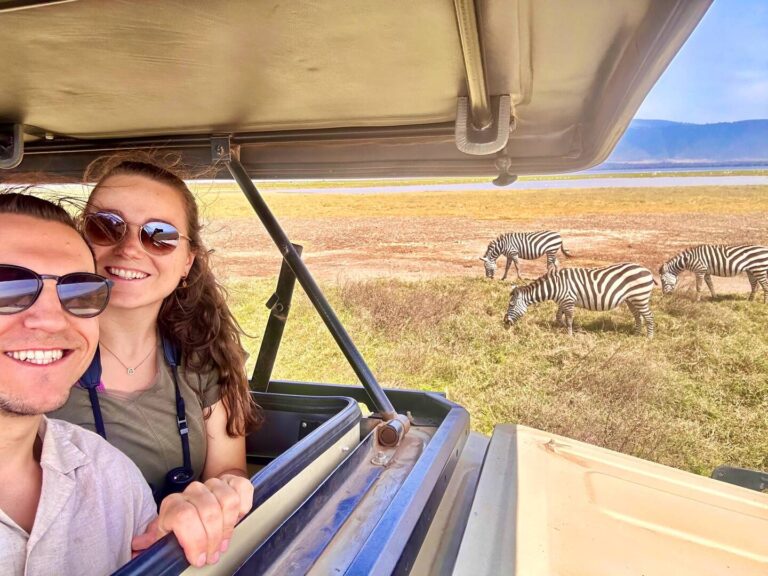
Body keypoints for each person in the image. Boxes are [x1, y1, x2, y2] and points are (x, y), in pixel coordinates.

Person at [0, 192, 253, 574]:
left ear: (188, 261)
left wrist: (165, 546)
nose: (50, 320)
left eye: (75, 291)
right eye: (8, 287)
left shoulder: (112, 477)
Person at [51, 155, 260, 502]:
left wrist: (223, 497)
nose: (130, 248)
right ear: (80, 238)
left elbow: (228, 471)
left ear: (187, 261)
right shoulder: (34, 355)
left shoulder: (202, 356)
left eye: (159, 235)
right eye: (106, 226)